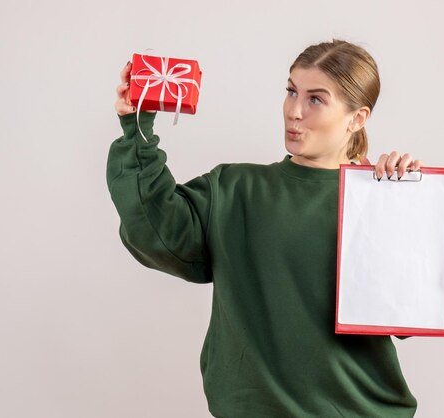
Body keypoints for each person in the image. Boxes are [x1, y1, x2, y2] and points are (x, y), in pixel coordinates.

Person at [109, 40, 422, 417]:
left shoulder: (377, 199)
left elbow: (410, 314)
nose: (294, 111)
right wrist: (137, 128)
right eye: (291, 92)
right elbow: (157, 231)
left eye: (316, 99)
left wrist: (403, 202)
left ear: (357, 118)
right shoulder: (233, 189)